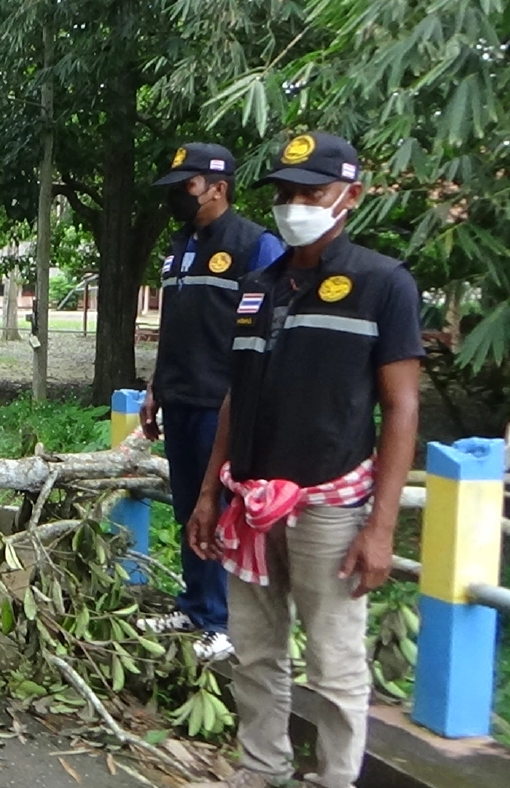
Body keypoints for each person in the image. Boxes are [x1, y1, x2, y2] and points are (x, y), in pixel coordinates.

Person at [186, 133, 422, 788]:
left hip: (329, 512)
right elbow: (239, 392)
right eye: (286, 193)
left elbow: (401, 409)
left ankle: (335, 780)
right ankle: (261, 772)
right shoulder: (259, 287)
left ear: (351, 196)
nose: (295, 206)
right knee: (256, 655)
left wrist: (380, 527)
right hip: (251, 503)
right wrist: (212, 493)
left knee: (334, 665)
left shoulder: (383, 285)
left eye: (311, 193)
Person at [139, 143, 285, 661]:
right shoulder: (179, 246)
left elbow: (270, 333)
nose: (178, 196)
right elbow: (177, 324)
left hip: (221, 404)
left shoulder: (256, 246)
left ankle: (225, 621)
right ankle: (196, 604)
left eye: (187, 186)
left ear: (218, 187)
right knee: (187, 507)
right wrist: (155, 386)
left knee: (218, 509)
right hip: (178, 396)